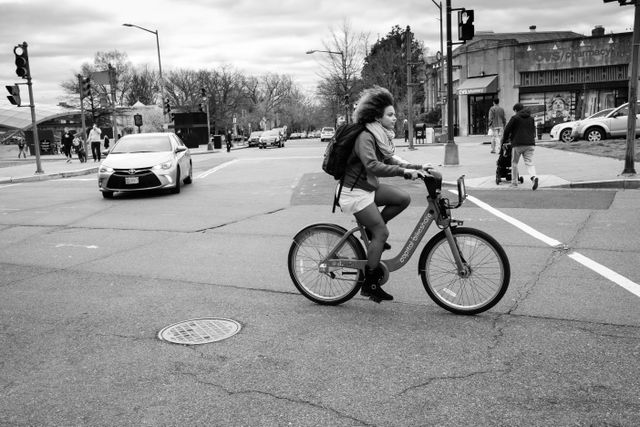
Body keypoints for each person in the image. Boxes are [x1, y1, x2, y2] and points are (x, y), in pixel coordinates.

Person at [339, 86, 429, 303]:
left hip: (367, 188)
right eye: (390, 114)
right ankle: (370, 284)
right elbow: (372, 166)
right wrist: (404, 172)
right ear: (377, 117)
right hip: (355, 193)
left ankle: (371, 233)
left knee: (402, 199)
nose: (395, 118)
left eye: (394, 114)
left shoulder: (378, 135)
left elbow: (388, 159)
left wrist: (418, 166)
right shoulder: (365, 137)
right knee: (382, 233)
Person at [502, 102, 539, 190]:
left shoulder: (515, 118)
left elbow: (507, 130)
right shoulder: (531, 118)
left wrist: (504, 141)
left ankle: (514, 183)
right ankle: (534, 177)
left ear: (515, 110)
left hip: (517, 144)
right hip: (530, 144)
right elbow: (533, 131)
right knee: (529, 162)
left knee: (514, 163)